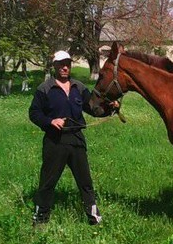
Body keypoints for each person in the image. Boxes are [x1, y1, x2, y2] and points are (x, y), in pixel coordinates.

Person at [29, 50, 118, 226]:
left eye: (67, 64)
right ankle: (40, 219)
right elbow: (34, 113)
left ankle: (94, 218)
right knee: (47, 182)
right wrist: (49, 121)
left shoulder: (79, 87)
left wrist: (110, 108)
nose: (64, 67)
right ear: (54, 66)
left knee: (85, 182)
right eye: (61, 64)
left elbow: (93, 108)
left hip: (76, 139)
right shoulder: (45, 89)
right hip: (55, 141)